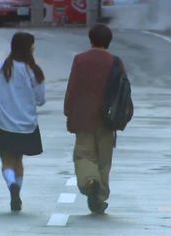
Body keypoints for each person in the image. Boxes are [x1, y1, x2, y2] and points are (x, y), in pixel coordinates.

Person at [64, 23, 126, 214]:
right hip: (108, 120)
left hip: (83, 117)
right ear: (109, 41)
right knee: (104, 160)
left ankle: (90, 181)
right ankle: (99, 198)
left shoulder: (80, 60)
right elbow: (123, 92)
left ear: (91, 39)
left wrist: (68, 110)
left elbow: (72, 87)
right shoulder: (115, 62)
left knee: (84, 154)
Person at [0, 32, 45, 212]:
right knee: (19, 160)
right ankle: (16, 189)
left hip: (4, 123)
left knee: (8, 159)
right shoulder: (34, 71)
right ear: (29, 48)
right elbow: (40, 99)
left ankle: (12, 187)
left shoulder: (0, 68)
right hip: (27, 124)